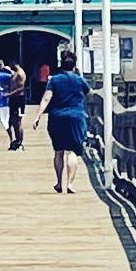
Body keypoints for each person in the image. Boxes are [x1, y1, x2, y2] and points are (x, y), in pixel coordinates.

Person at [34, 48, 91, 194]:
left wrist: (38, 116)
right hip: (76, 117)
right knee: (72, 152)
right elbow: (90, 95)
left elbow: (47, 98)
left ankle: (59, 182)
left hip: (57, 117)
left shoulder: (54, 80)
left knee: (58, 151)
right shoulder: (79, 80)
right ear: (74, 65)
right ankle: (70, 183)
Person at [6, 62, 27, 151]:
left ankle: (19, 141)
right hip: (14, 99)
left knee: (18, 121)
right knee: (13, 120)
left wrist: (9, 94)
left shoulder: (20, 74)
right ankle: (16, 140)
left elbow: (21, 87)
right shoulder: (15, 73)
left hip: (19, 99)